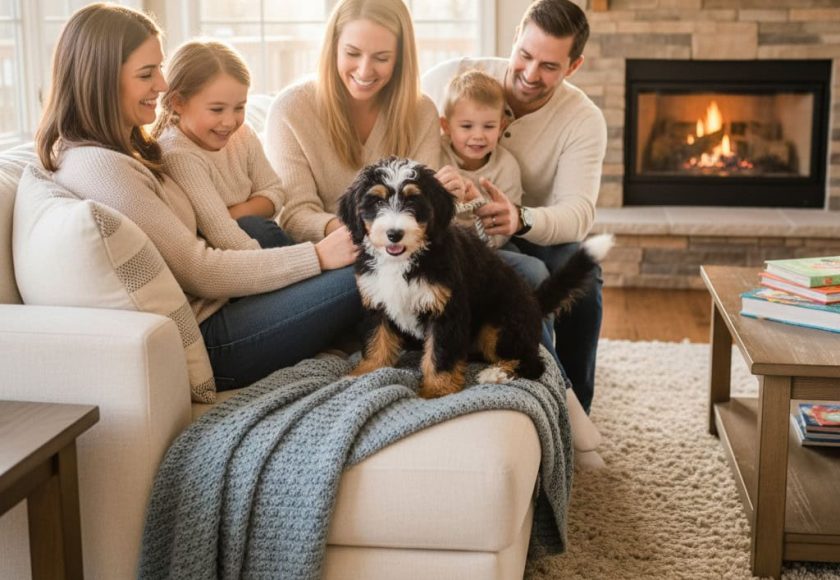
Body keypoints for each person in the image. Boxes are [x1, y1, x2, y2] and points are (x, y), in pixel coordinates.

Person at [37, 3, 362, 391]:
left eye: (158, 68)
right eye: (146, 73)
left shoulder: (123, 150)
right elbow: (200, 270)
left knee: (296, 242)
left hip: (230, 308)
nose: (161, 84)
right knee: (366, 272)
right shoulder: (101, 169)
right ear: (102, 81)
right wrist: (317, 257)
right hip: (216, 338)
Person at [423, 0, 608, 414]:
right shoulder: (448, 80)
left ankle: (574, 402)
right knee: (528, 277)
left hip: (532, 231)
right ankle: (545, 387)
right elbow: (405, 150)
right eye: (525, 55)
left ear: (572, 68)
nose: (529, 74)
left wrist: (521, 219)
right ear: (514, 40)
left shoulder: (582, 119)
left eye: (549, 66)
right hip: (452, 234)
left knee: (580, 274)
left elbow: (579, 213)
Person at [264, 0, 441, 244]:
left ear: (400, 59)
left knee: (511, 266)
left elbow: (426, 208)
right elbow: (294, 215)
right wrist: (367, 234)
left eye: (381, 57)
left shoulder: (423, 112)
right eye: (352, 53)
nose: (364, 71)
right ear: (334, 47)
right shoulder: (290, 110)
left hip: (404, 254)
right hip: (329, 255)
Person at [154, 40, 291, 250]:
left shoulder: (242, 134)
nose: (230, 121)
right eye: (217, 109)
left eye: (239, 107)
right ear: (178, 103)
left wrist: (229, 214)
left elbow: (275, 193)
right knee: (255, 227)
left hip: (261, 240)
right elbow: (221, 233)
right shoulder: (178, 153)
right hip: (234, 257)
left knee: (255, 226)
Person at [438, 69, 524, 250]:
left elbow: (502, 235)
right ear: (446, 126)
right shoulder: (437, 155)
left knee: (533, 269)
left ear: (501, 127)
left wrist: (480, 209)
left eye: (489, 126)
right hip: (443, 246)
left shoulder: (507, 167)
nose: (478, 136)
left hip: (489, 247)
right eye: (467, 126)